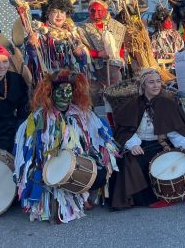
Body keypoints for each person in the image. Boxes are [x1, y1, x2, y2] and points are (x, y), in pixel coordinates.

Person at [13, 69, 119, 223]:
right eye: (60, 91)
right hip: (48, 166)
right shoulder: (38, 119)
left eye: (69, 91)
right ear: (50, 93)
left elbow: (96, 140)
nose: (65, 95)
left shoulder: (84, 114)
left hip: (77, 163)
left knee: (101, 172)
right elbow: (30, 153)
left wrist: (95, 157)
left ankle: (85, 194)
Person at [110, 68, 185, 209]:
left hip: (161, 144)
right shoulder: (133, 105)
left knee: (177, 157)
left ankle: (170, 193)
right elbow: (125, 130)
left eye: (158, 81)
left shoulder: (167, 104)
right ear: (143, 85)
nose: (156, 85)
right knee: (127, 161)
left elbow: (175, 132)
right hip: (141, 144)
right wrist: (133, 144)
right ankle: (140, 199)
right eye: (151, 82)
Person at [78, 0, 126, 105]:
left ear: (106, 10)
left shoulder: (118, 26)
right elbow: (80, 49)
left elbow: (121, 46)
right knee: (96, 100)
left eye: (100, 11)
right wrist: (98, 54)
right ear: (88, 10)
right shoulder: (80, 28)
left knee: (116, 100)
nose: (96, 14)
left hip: (114, 70)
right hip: (92, 71)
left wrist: (118, 58)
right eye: (92, 11)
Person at [27, 0, 89, 83]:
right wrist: (32, 46)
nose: (59, 16)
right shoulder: (39, 32)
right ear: (47, 14)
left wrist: (81, 54)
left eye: (62, 12)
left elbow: (83, 62)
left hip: (70, 80)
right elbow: (33, 58)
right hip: (48, 81)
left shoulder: (72, 33)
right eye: (54, 12)